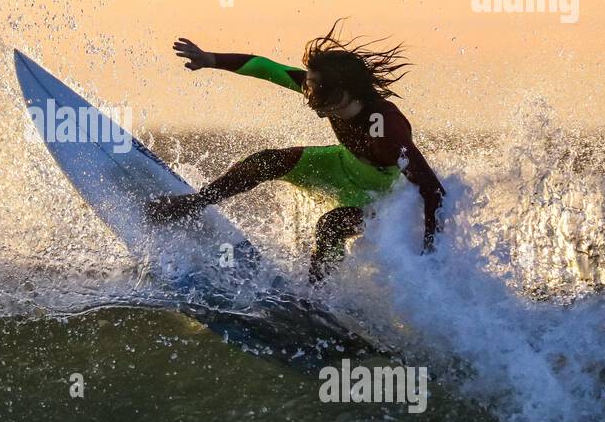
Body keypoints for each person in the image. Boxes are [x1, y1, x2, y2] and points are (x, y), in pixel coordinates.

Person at [147, 23, 444, 283]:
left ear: (345, 92)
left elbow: (433, 191)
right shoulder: (323, 89)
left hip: (380, 196)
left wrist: (430, 253)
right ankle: (196, 203)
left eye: (318, 93)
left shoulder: (386, 127)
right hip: (340, 164)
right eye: (310, 87)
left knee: (330, 226)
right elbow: (265, 67)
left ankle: (318, 297)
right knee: (266, 161)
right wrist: (210, 59)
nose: (310, 98)